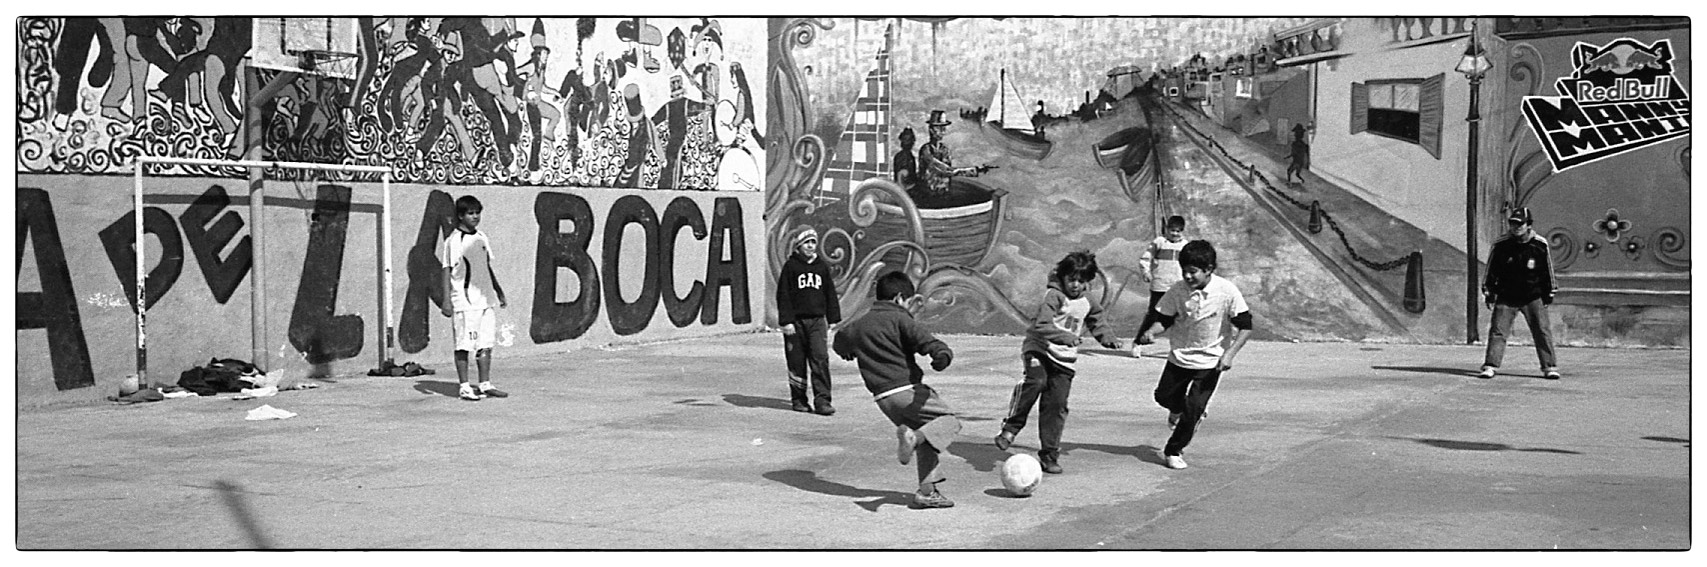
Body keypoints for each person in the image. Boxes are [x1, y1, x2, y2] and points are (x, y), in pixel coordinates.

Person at [832, 271, 960, 509]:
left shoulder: (860, 323)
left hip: (883, 399)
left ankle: (927, 492)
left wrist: (848, 352)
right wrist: (942, 355)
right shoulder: (900, 319)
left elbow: (839, 340)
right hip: (907, 391)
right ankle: (913, 438)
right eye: (909, 302)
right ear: (900, 298)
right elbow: (926, 341)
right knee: (948, 422)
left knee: (929, 435)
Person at [994, 250, 1122, 474]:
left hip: (1064, 359)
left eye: (1081, 281)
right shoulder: (1053, 296)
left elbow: (1097, 321)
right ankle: (1010, 428)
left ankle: (1049, 455)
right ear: (1062, 277)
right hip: (1040, 349)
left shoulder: (1088, 300)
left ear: (1088, 282)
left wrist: (1108, 339)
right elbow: (1042, 325)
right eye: (1071, 279)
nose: (1075, 285)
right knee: (1036, 382)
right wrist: (1066, 337)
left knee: (1056, 405)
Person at [1136, 240, 1253, 470]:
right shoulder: (1177, 291)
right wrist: (1151, 332)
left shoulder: (1227, 291)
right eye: (1184, 271)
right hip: (1180, 357)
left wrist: (1229, 355)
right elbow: (1165, 319)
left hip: (1210, 362)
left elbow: (1245, 326)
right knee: (1163, 397)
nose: (1188, 277)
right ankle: (1176, 410)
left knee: (1194, 408)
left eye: (1193, 272)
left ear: (1209, 269)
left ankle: (1173, 450)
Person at [439, 196, 509, 401]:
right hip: (465, 302)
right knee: (464, 345)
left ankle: (485, 384)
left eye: (477, 212)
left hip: (485, 300)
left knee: (485, 343)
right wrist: (446, 300)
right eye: (470, 213)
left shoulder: (481, 237)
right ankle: (464, 386)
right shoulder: (453, 241)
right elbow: (447, 269)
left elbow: (486, 266)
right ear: (460, 216)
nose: (475, 216)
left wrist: (498, 289)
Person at [1479, 207, 1560, 380]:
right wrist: (1489, 291)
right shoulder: (1501, 245)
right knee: (1498, 331)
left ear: (1528, 225)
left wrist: (1549, 293)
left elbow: (1548, 271)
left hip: (1532, 295)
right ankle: (1490, 366)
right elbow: (1491, 269)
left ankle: (1549, 366)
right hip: (1507, 295)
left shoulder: (1539, 245)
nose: (1515, 227)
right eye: (1512, 223)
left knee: (1542, 330)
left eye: (1520, 224)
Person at [776, 226, 842, 415]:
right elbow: (784, 295)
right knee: (796, 361)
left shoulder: (821, 267)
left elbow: (829, 292)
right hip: (796, 323)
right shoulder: (791, 267)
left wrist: (833, 317)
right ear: (798, 245)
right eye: (807, 242)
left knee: (820, 359)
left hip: (817, 322)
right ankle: (799, 400)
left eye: (813, 242)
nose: (811, 246)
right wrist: (786, 321)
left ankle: (823, 401)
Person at [1135, 215, 1188, 350]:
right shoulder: (1159, 242)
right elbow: (1145, 258)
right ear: (1166, 229)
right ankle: (1138, 342)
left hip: (1177, 286)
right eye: (1172, 230)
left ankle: (1179, 345)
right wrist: (1146, 272)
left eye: (1178, 231)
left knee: (1180, 315)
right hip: (1160, 284)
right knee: (1153, 314)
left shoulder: (1185, 246)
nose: (1175, 234)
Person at [917, 110, 988, 195]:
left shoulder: (945, 149)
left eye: (944, 127)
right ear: (931, 129)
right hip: (928, 193)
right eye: (939, 128)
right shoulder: (926, 150)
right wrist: (974, 171)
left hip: (944, 191)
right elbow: (946, 170)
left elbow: (948, 172)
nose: (943, 131)